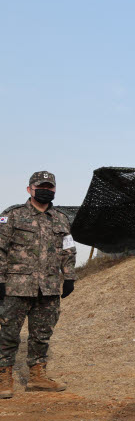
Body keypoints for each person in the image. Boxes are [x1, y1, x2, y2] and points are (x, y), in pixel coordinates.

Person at [0, 171, 77, 399]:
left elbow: (68, 249)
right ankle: (4, 377)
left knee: (42, 334)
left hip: (49, 287)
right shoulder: (11, 215)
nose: (46, 190)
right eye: (41, 186)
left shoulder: (61, 219)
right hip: (16, 286)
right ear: (29, 189)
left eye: (50, 187)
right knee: (8, 333)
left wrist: (69, 277)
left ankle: (37, 377)